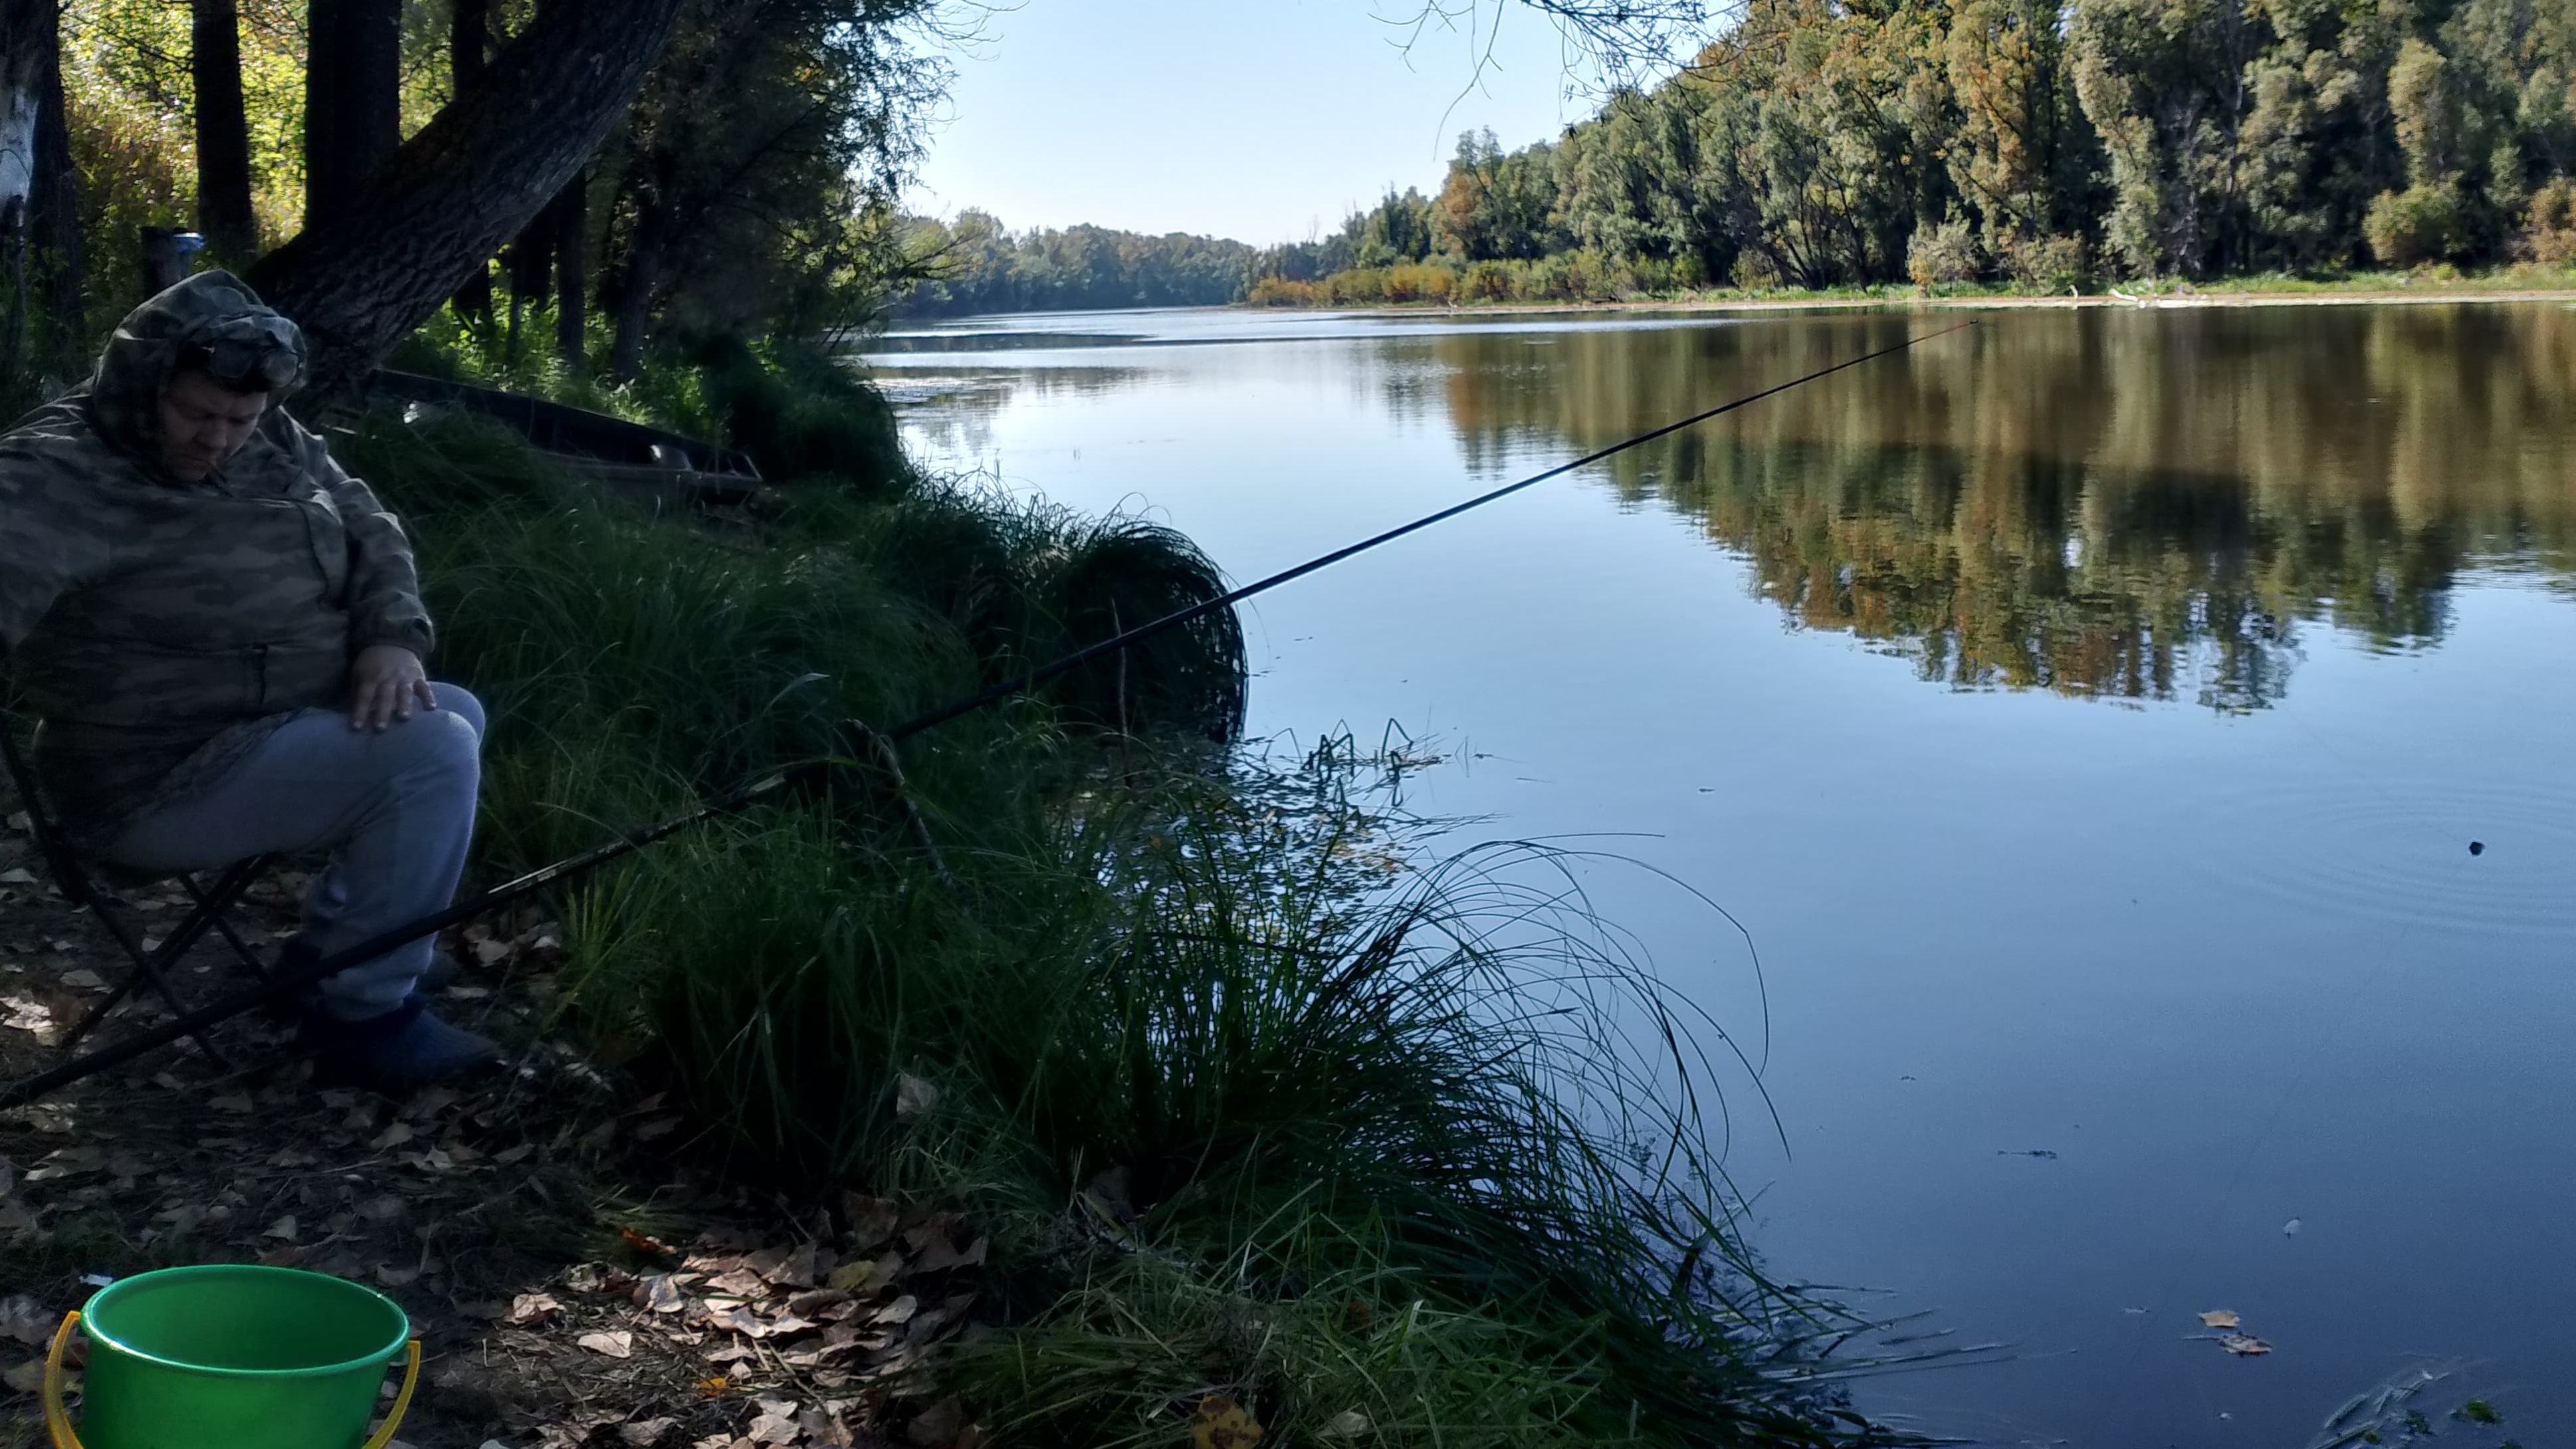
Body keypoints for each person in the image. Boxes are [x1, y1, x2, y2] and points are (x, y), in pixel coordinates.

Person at [0, 271, 498, 1091]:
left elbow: (371, 522)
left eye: (239, 419)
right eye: (196, 414)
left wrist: (391, 637)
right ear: (144, 382)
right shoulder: (52, 477)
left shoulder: (272, 437)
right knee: (432, 750)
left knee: (451, 708)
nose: (218, 440)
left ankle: (334, 954)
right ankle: (363, 1014)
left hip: (271, 728)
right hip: (154, 779)